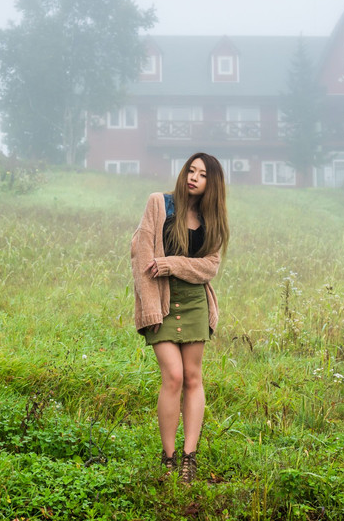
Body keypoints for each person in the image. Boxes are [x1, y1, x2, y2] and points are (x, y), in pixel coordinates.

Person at [131, 152, 229, 484]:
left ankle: (189, 457)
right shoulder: (160, 204)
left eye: (202, 175)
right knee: (172, 376)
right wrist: (148, 308)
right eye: (191, 170)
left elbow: (209, 268)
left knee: (192, 378)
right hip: (161, 299)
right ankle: (168, 457)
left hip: (195, 302)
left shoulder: (211, 221)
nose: (193, 177)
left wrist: (171, 263)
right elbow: (141, 254)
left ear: (211, 184)